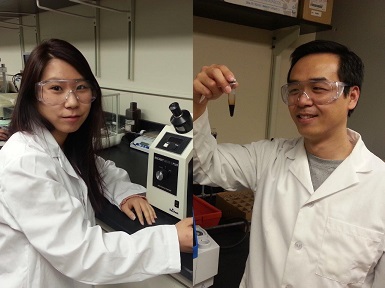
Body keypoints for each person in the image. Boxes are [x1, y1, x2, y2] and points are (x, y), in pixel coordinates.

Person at [0, 38, 193, 287]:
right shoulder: (25, 163)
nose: (72, 102)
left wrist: (126, 193)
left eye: (81, 87)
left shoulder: (57, 142)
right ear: (33, 95)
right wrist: (172, 240)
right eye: (56, 89)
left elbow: (99, 168)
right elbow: (84, 256)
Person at [193, 40, 385, 287]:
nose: (303, 100)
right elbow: (202, 165)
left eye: (318, 88)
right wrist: (198, 102)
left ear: (352, 96)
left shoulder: (379, 186)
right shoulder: (268, 157)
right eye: (295, 90)